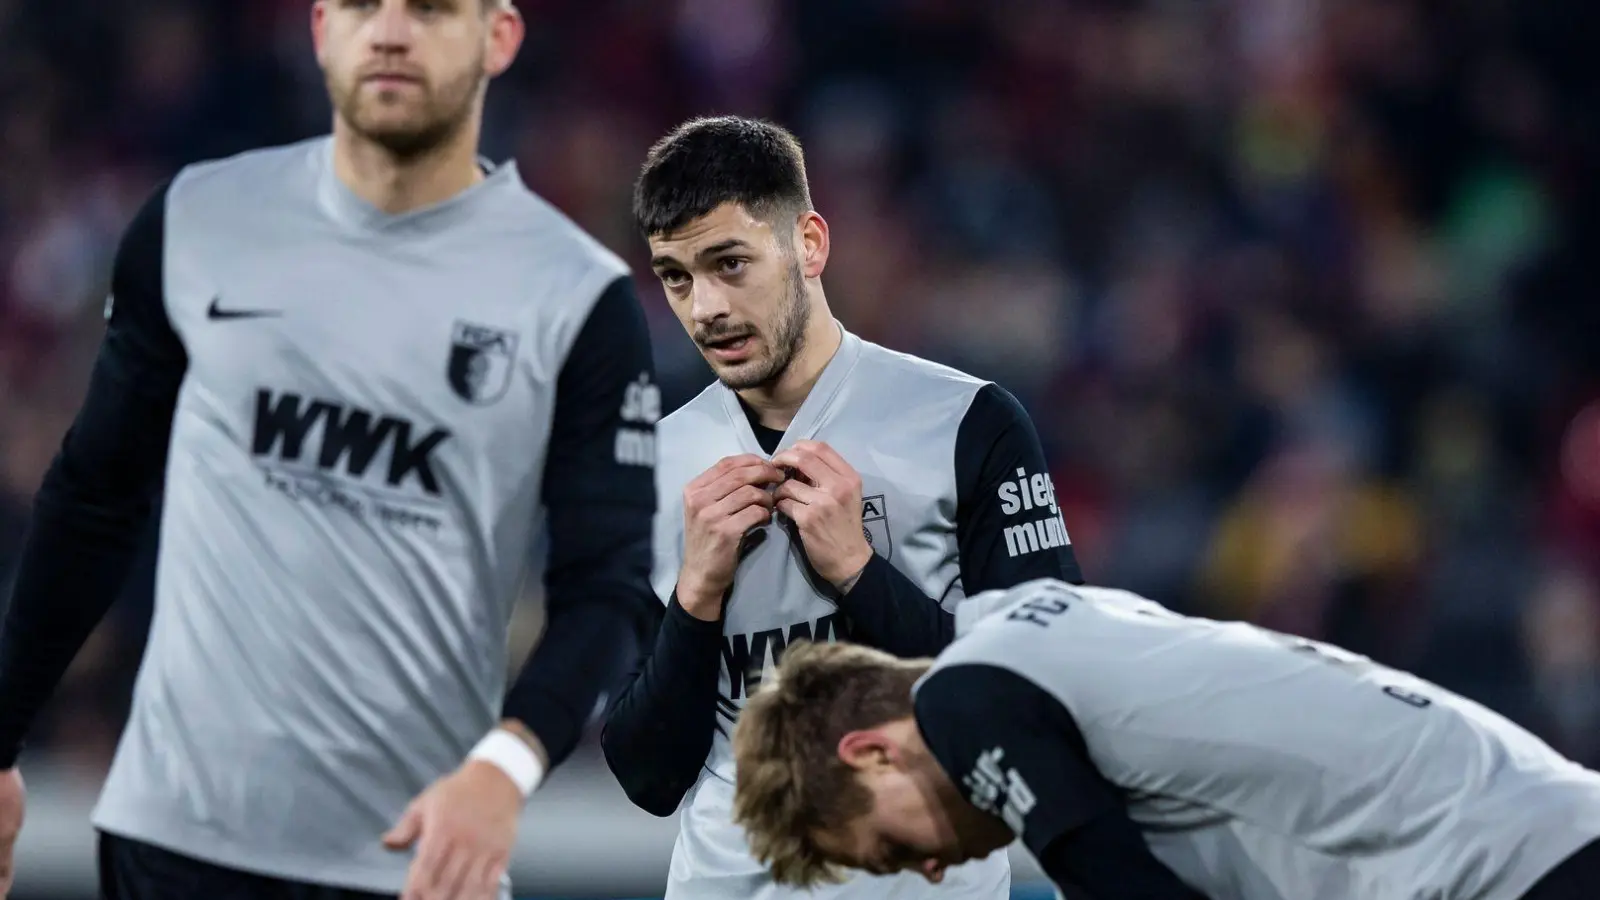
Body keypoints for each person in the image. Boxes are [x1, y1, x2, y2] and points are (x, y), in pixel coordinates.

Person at [0, 1, 660, 898]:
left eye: (429, 9)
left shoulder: (577, 297)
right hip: (172, 846)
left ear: (500, 37)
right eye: (360, 6)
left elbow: (608, 586)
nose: (390, 31)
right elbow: (93, 497)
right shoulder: (199, 220)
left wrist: (505, 768)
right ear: (319, 30)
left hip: (417, 860)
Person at [600, 115, 1084, 900]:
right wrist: (695, 597)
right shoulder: (650, 471)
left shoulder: (967, 423)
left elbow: (1046, 703)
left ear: (810, 245)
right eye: (677, 277)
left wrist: (861, 574)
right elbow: (647, 775)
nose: (705, 309)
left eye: (730, 263)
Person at [731, 578, 1600, 900]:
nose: (929, 868)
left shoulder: (963, 701)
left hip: (1504, 869)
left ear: (872, 751)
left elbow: (1113, 881)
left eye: (889, 846)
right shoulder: (1054, 625)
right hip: (1543, 823)